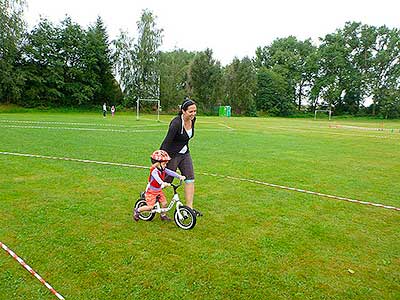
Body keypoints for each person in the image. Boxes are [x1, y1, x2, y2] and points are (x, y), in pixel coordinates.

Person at [160, 98, 202, 216]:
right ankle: (148, 195)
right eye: (190, 111)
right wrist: (161, 158)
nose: (193, 114)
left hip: (185, 154)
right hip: (172, 155)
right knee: (165, 181)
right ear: (183, 111)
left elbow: (186, 138)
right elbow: (167, 142)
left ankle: (189, 209)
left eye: (195, 111)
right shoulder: (176, 123)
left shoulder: (193, 120)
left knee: (190, 179)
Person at [134, 150, 185, 222]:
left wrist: (179, 176)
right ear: (158, 163)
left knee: (164, 203)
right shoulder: (154, 171)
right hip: (151, 191)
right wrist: (162, 183)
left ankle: (163, 215)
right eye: (164, 164)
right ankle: (137, 210)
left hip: (158, 190)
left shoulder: (163, 169)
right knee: (150, 207)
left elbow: (170, 172)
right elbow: (157, 178)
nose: (165, 165)